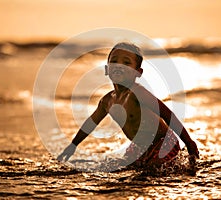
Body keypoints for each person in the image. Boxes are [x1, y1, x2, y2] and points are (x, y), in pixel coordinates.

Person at [57, 42, 199, 168]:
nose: (119, 65)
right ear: (107, 70)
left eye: (126, 63)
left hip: (163, 142)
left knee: (151, 172)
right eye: (114, 62)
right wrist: (73, 145)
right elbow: (90, 123)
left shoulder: (138, 93)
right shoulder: (107, 101)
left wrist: (189, 142)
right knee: (122, 166)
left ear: (138, 72)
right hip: (139, 145)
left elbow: (167, 114)